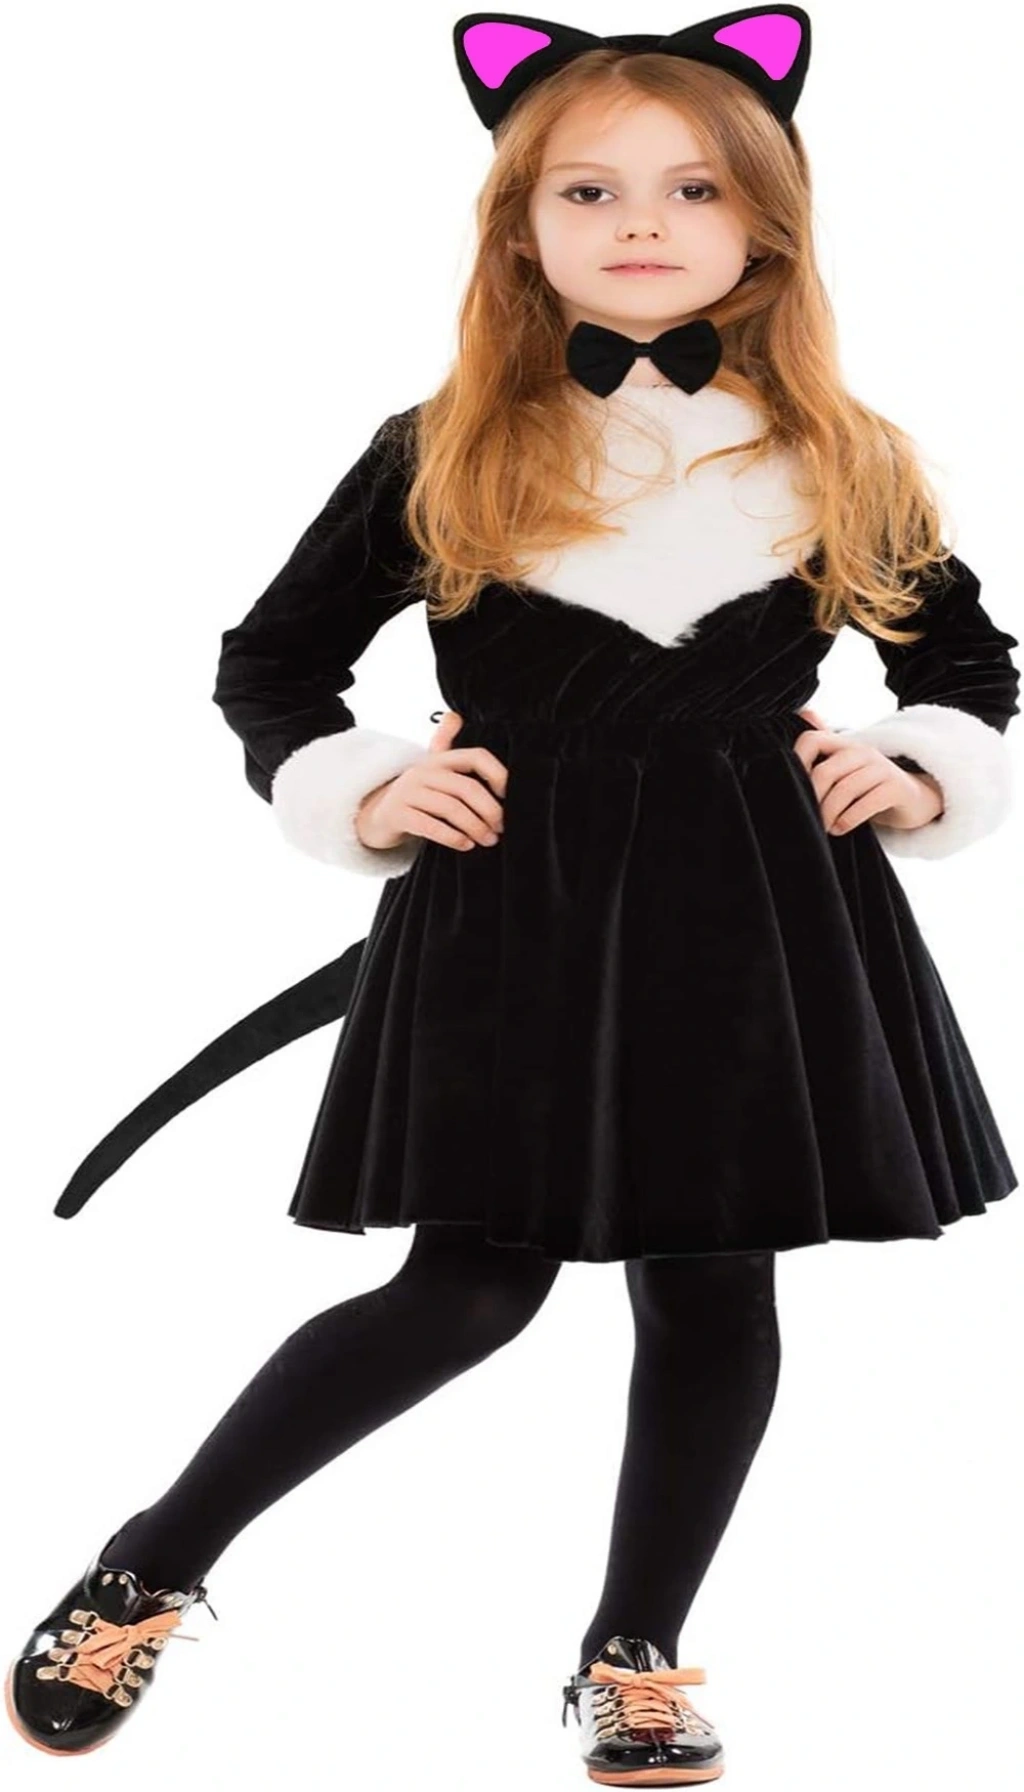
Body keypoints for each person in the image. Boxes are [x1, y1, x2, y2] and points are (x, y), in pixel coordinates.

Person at [6, 8, 1019, 1783]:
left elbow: (967, 664)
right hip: (514, 916)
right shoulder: (449, 445)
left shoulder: (842, 454)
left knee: (715, 1290)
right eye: (589, 189)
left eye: (693, 187)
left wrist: (921, 765)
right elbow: (273, 664)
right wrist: (365, 783)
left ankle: (639, 1653)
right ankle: (148, 1564)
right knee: (466, 1290)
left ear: (766, 221)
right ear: (521, 224)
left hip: (760, 930)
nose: (643, 222)